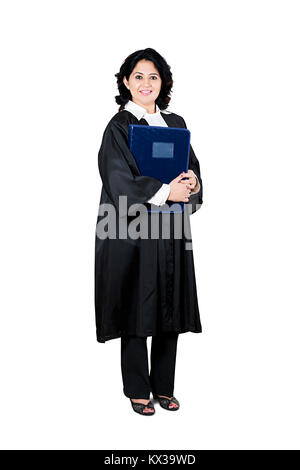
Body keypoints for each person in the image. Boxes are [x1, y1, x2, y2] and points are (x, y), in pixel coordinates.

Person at [94, 48, 203, 415]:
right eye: (138, 76)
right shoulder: (120, 127)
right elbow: (117, 179)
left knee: (169, 304)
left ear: (163, 83)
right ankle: (138, 388)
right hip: (133, 231)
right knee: (137, 307)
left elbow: (192, 168)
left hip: (171, 229)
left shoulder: (174, 123)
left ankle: (164, 386)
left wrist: (192, 183)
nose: (146, 83)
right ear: (125, 82)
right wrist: (164, 191)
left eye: (153, 77)